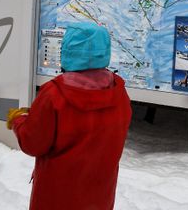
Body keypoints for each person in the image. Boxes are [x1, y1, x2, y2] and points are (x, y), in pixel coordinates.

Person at [7, 22, 132, 210]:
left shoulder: (54, 94)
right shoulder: (118, 93)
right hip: (99, 196)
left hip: (57, 196)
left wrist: (18, 120)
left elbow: (33, 143)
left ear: (67, 50)